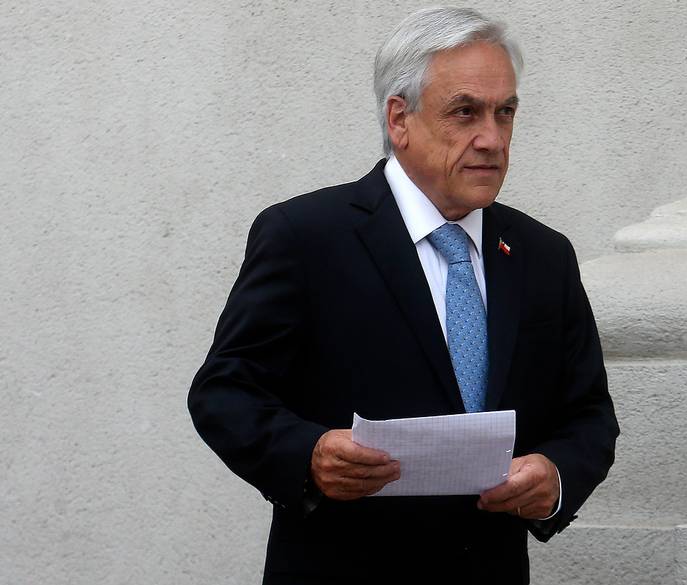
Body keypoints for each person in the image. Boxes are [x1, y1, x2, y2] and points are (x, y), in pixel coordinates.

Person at [188, 7, 619, 584]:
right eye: (465, 112)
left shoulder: (543, 255)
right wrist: (309, 455)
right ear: (400, 119)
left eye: (505, 112)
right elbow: (224, 393)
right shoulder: (307, 237)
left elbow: (589, 415)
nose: (492, 139)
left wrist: (556, 477)